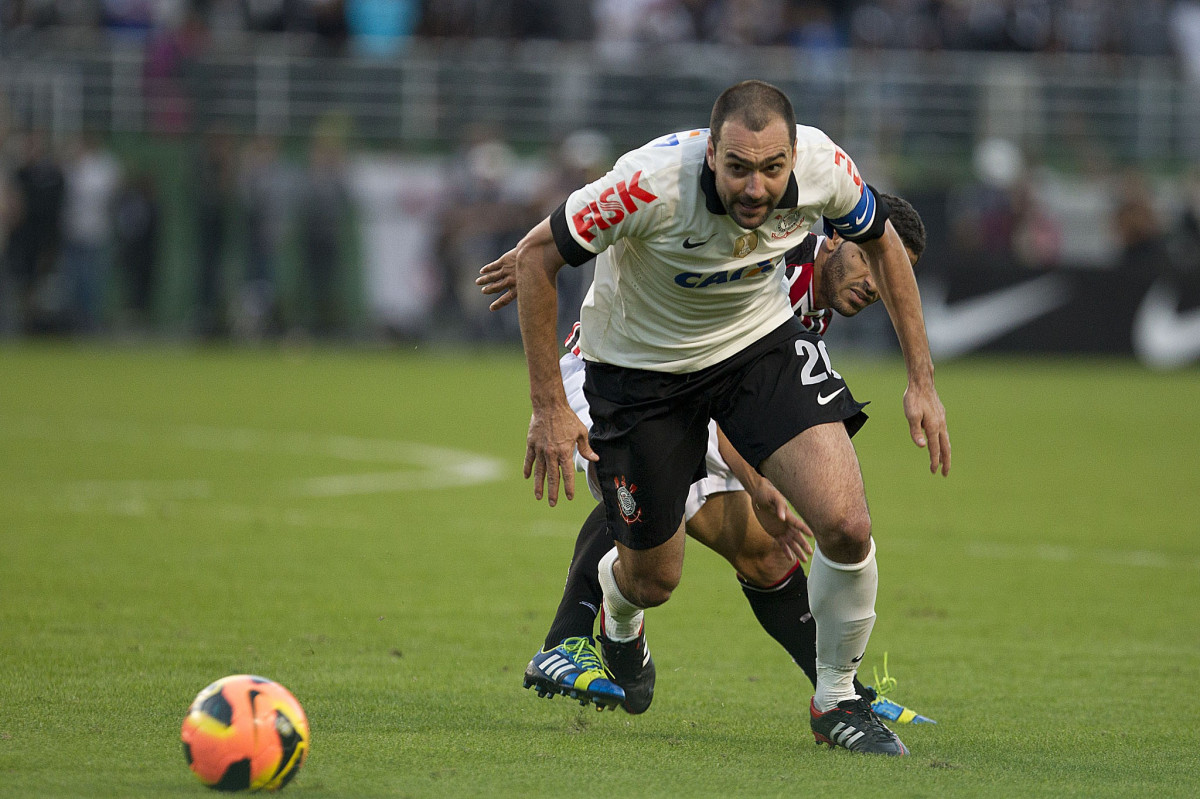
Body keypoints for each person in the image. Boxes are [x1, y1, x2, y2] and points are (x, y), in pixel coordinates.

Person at [486, 80, 950, 756]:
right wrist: (549, 409)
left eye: (772, 168)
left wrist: (922, 381)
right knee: (657, 576)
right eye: (738, 168)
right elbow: (537, 255)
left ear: (794, 156)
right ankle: (609, 616)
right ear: (711, 157)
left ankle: (839, 697)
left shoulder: (826, 170)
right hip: (636, 372)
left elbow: (883, 240)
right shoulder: (650, 184)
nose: (756, 188)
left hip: (751, 348)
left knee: (843, 525)